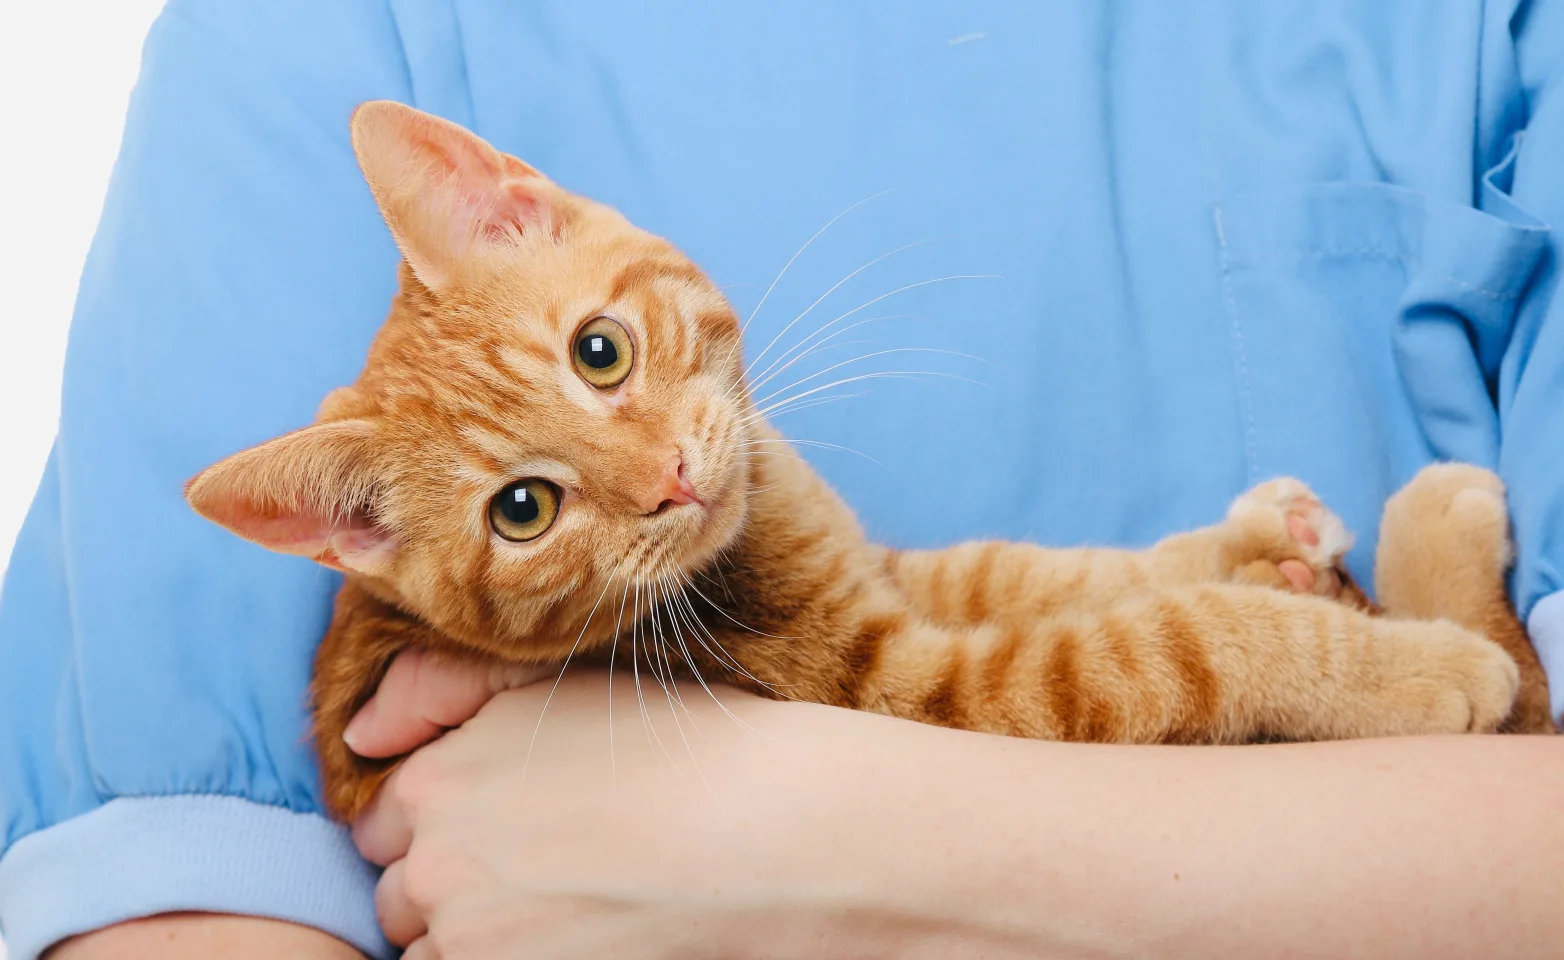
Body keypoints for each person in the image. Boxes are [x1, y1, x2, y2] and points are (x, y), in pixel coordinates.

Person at [4, 1, 1564, 957]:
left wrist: (830, 851)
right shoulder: (295, 38)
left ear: (514, 199)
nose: (661, 477)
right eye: (531, 502)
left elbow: (906, 631)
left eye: (603, 360)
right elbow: (184, 904)